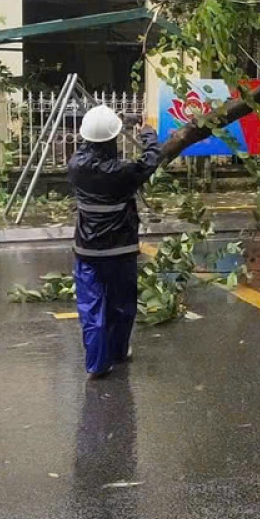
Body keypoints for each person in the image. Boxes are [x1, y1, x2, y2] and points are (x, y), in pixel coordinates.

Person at [68, 104, 161, 379]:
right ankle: (119, 351)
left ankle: (97, 364)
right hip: (121, 250)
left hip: (87, 251)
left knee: (91, 308)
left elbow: (91, 150)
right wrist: (147, 133)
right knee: (122, 305)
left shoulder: (76, 167)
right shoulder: (124, 172)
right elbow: (151, 160)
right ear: (113, 139)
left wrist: (108, 126)